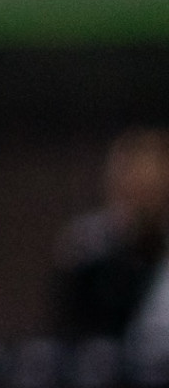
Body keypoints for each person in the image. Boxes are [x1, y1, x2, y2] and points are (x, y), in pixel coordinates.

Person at [54, 127, 169, 340]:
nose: (137, 200)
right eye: (128, 187)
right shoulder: (89, 246)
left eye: (146, 190)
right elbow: (68, 326)